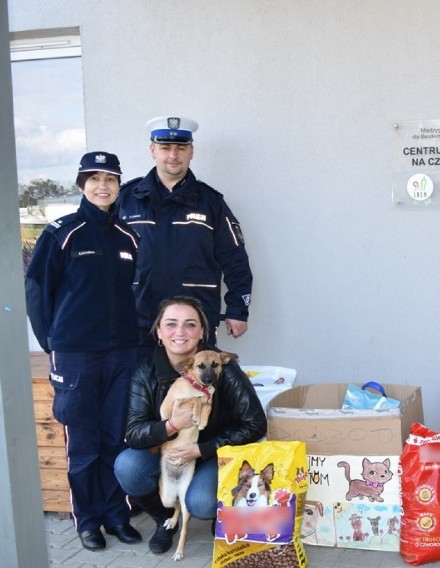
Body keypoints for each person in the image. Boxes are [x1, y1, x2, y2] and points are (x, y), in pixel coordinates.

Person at [25, 152, 142, 550]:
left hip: (122, 354)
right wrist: (54, 342)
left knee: (116, 439)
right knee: (83, 444)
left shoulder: (129, 237)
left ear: (118, 185)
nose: (102, 186)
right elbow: (38, 292)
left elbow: (135, 296)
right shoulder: (62, 232)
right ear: (81, 185)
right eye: (94, 179)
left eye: (110, 179)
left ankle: (116, 515)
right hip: (76, 357)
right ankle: (88, 521)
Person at [114, 295, 267, 554]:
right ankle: (166, 519)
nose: (180, 333)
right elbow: (134, 432)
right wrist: (172, 425)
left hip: (211, 455)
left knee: (201, 502)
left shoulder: (220, 366)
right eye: (171, 324)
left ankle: (218, 511)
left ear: (202, 332)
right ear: (159, 332)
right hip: (167, 450)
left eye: (190, 324)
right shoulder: (145, 372)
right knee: (128, 466)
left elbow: (255, 424)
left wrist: (203, 449)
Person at [116, 116, 253, 358]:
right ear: (152, 150)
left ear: (191, 151)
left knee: (197, 393)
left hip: (195, 321)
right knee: (140, 392)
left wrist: (237, 310)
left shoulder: (211, 203)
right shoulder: (126, 200)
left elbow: (235, 259)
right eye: (165, 148)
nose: (173, 155)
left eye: (181, 148)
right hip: (137, 319)